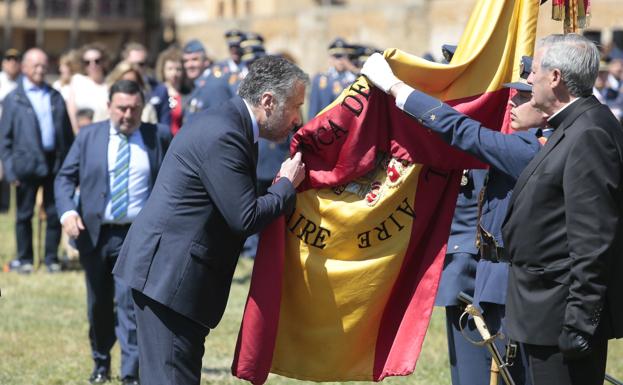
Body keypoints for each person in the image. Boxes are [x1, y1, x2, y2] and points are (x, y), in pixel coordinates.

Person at [113, 55, 308, 385]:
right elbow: (244, 217)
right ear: (268, 102)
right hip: (169, 280)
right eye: (295, 106)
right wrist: (286, 186)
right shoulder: (226, 134)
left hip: (170, 278)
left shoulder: (230, 124)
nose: (298, 119)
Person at [362, 52, 550, 384]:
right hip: (481, 275)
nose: (512, 101)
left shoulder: (531, 148)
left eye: (523, 94)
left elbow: (461, 130)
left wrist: (394, 86)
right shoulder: (521, 141)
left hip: (510, 284)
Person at [501, 33, 623, 385]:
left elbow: (594, 238)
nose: (528, 79)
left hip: (561, 316)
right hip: (542, 312)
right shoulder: (571, 126)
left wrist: (580, 322)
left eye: (534, 71)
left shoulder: (589, 133)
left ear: (554, 78)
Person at [55, 80, 171, 385]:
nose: (128, 115)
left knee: (131, 303)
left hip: (137, 235)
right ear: (109, 107)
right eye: (121, 108)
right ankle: (101, 361)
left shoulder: (156, 136)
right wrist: (68, 213)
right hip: (95, 234)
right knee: (99, 303)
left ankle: (130, 372)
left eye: (134, 108)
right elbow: (65, 178)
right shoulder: (89, 136)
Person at [0, 48, 74, 274]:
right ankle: (25, 259)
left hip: (54, 163)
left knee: (53, 213)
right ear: (24, 67)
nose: (41, 69)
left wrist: (70, 166)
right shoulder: (14, 99)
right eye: (35, 65)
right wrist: (11, 171)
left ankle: (51, 258)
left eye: (44, 65)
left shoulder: (55, 96)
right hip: (25, 164)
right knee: (24, 215)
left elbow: (67, 135)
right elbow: (5, 139)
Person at [307, 38, 356, 120]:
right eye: (337, 57)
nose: (340, 60)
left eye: (344, 57)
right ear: (331, 58)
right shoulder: (320, 80)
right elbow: (313, 110)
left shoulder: (353, 78)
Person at [67, 43, 110, 131]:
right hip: (82, 133)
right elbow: (71, 111)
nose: (92, 65)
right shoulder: (77, 80)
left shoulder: (110, 84)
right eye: (87, 62)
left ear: (104, 62)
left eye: (97, 61)